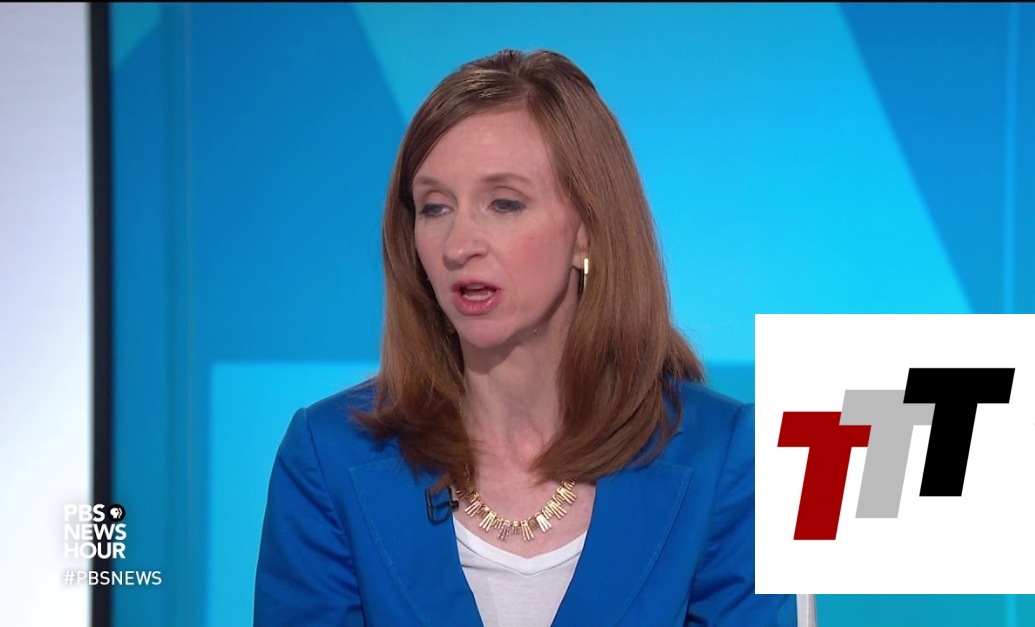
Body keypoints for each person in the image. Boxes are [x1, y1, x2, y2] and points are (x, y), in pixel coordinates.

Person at [254, 48, 796, 626]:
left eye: (504, 203)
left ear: (587, 229)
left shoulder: (723, 459)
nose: (459, 245)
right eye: (434, 208)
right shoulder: (328, 457)